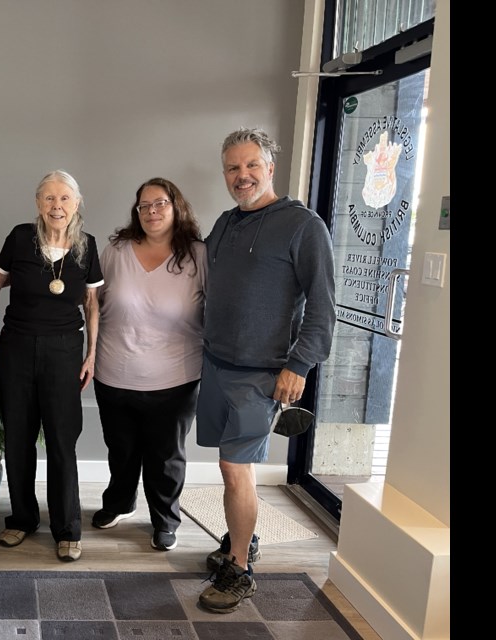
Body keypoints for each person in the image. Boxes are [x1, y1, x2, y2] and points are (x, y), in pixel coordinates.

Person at [196, 127, 335, 613]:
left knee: (237, 470)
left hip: (263, 373)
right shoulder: (225, 223)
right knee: (229, 465)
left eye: (252, 165)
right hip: (216, 364)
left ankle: (240, 570)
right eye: (233, 168)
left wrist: (299, 365)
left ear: (270, 168)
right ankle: (243, 538)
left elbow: (322, 307)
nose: (243, 176)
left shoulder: (303, 226)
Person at [0, 169, 103, 562]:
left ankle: (67, 528)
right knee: (18, 437)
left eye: (65, 198)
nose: (57, 206)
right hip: (16, 347)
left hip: (65, 351)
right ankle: (21, 519)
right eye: (49, 199)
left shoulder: (86, 245)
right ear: (38, 204)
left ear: (76, 203)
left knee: (61, 441)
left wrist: (91, 353)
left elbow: (92, 304)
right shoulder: (20, 237)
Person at [91, 177, 206, 552]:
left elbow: (218, 309)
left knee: (165, 457)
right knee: (121, 451)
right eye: (144, 206)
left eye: (160, 204)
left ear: (176, 207)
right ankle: (120, 503)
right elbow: (92, 303)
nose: (152, 212)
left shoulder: (198, 255)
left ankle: (165, 520)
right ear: (136, 212)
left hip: (176, 377)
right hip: (114, 373)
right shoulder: (116, 251)